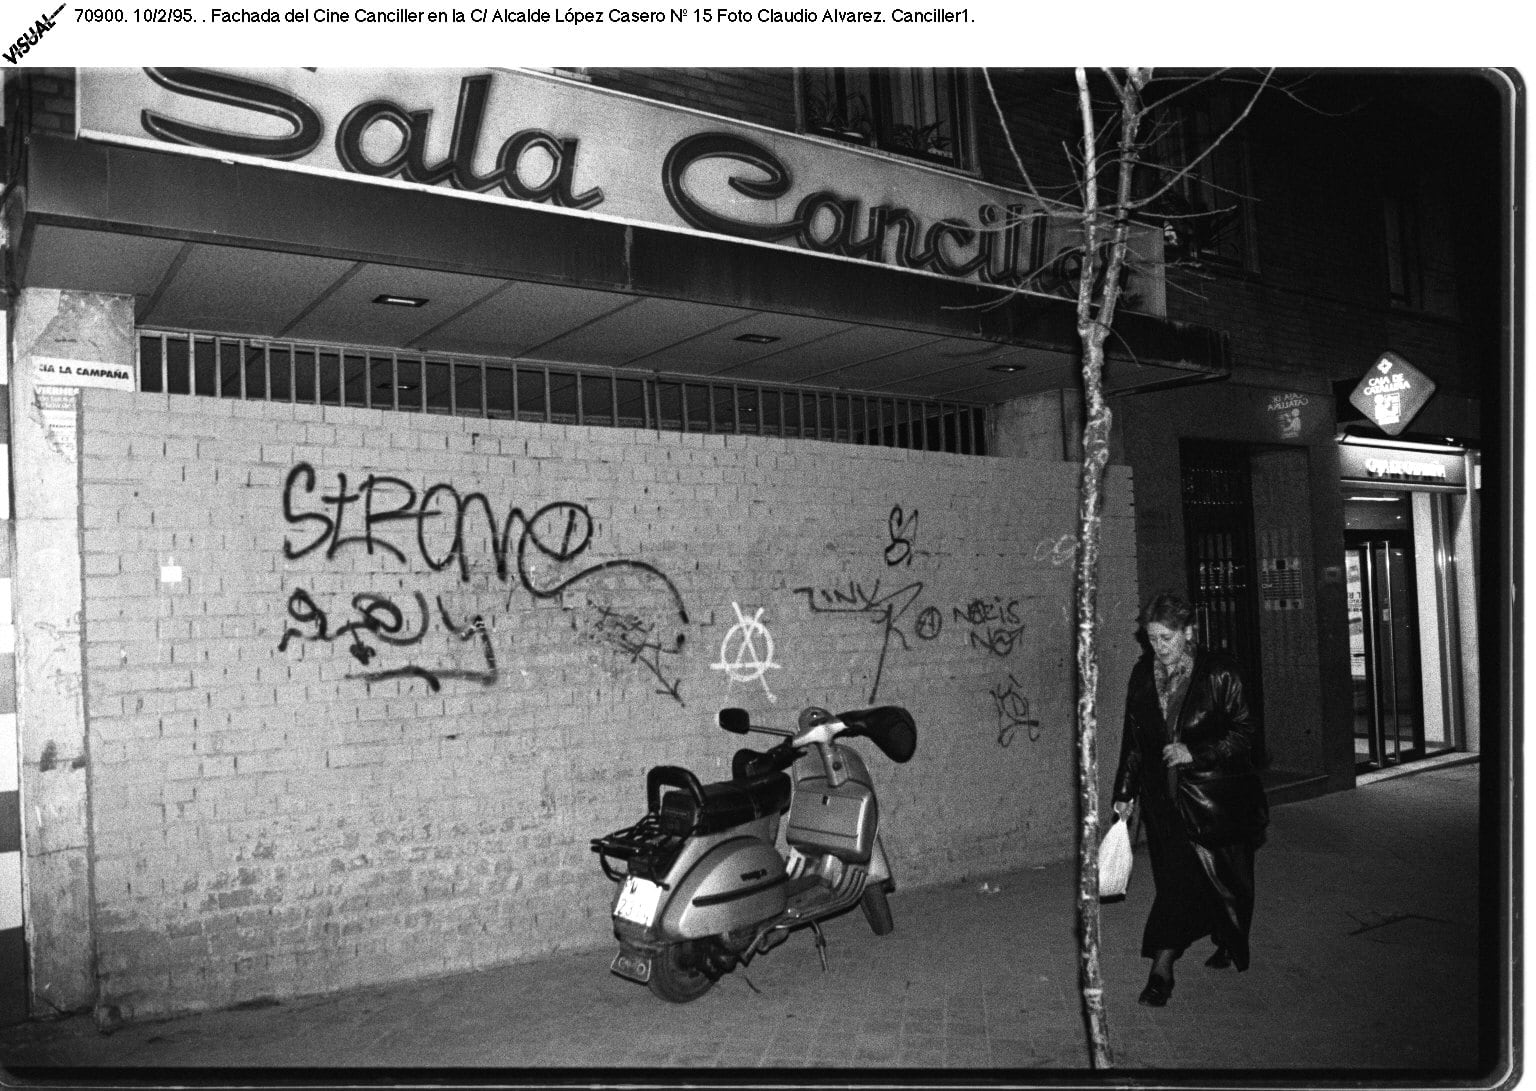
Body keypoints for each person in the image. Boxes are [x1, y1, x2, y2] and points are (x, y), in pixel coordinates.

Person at [1111, 592, 1268, 1007]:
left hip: (1214, 799)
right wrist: (1124, 794)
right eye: (1151, 639)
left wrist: (1194, 752)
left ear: (1188, 633)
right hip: (1163, 802)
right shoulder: (1142, 675)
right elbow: (1134, 742)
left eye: (1165, 639)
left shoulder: (1220, 673)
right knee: (1175, 884)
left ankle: (1197, 951)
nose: (1157, 648)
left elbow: (1245, 731)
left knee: (1228, 882)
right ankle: (1174, 960)